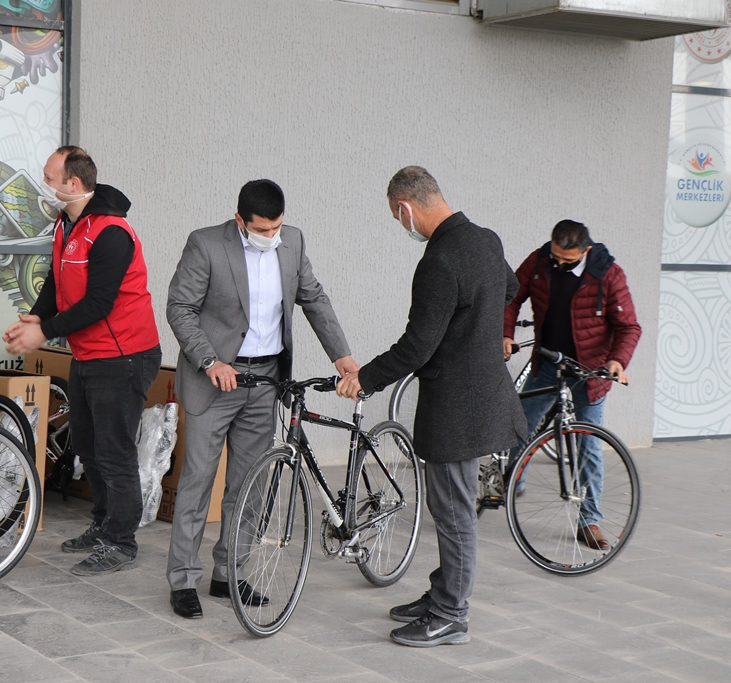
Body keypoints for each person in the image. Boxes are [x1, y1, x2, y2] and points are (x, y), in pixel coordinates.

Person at [337, 166, 524, 647]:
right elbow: (508, 289)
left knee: (454, 511)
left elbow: (417, 345)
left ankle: (451, 615)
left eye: (396, 218)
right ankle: (444, 592)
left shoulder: (438, 261)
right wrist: (477, 332)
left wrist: (365, 380)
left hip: (456, 407)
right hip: (483, 394)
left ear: (405, 208)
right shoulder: (486, 240)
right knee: (452, 507)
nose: (401, 227)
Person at [166, 179, 358, 620]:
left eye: (277, 227)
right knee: (197, 483)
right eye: (262, 230)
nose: (271, 236)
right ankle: (182, 580)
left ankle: (228, 573)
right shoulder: (206, 244)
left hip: (266, 380)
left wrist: (342, 355)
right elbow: (180, 307)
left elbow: (313, 297)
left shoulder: (292, 242)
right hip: (214, 381)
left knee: (250, 485)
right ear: (240, 221)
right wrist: (210, 360)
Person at [3, 145, 161, 576]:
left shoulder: (110, 231)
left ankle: (121, 541)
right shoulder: (67, 223)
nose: (45, 184)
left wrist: (44, 332)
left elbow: (99, 303)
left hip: (124, 355)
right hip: (89, 354)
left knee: (114, 452)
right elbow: (57, 279)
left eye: (50, 178)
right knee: (88, 447)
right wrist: (37, 315)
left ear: (73, 184)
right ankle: (103, 524)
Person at [503, 219, 640, 550]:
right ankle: (510, 482)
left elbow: (628, 326)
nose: (560, 265)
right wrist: (506, 334)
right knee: (521, 424)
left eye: (569, 260)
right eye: (556, 257)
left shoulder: (608, 274)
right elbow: (511, 296)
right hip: (548, 362)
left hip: (590, 372)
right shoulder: (538, 263)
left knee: (588, 444)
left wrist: (617, 361)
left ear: (586, 250)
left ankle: (589, 520)